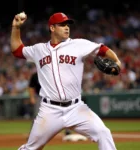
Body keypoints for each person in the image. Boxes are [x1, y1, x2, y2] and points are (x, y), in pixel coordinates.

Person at [11, 12, 121, 150]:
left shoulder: (78, 44)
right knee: (31, 148)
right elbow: (17, 50)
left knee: (103, 133)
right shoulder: (39, 50)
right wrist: (16, 28)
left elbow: (102, 49)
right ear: (52, 28)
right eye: (62, 25)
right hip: (49, 110)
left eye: (67, 24)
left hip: (76, 108)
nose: (67, 27)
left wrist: (117, 61)